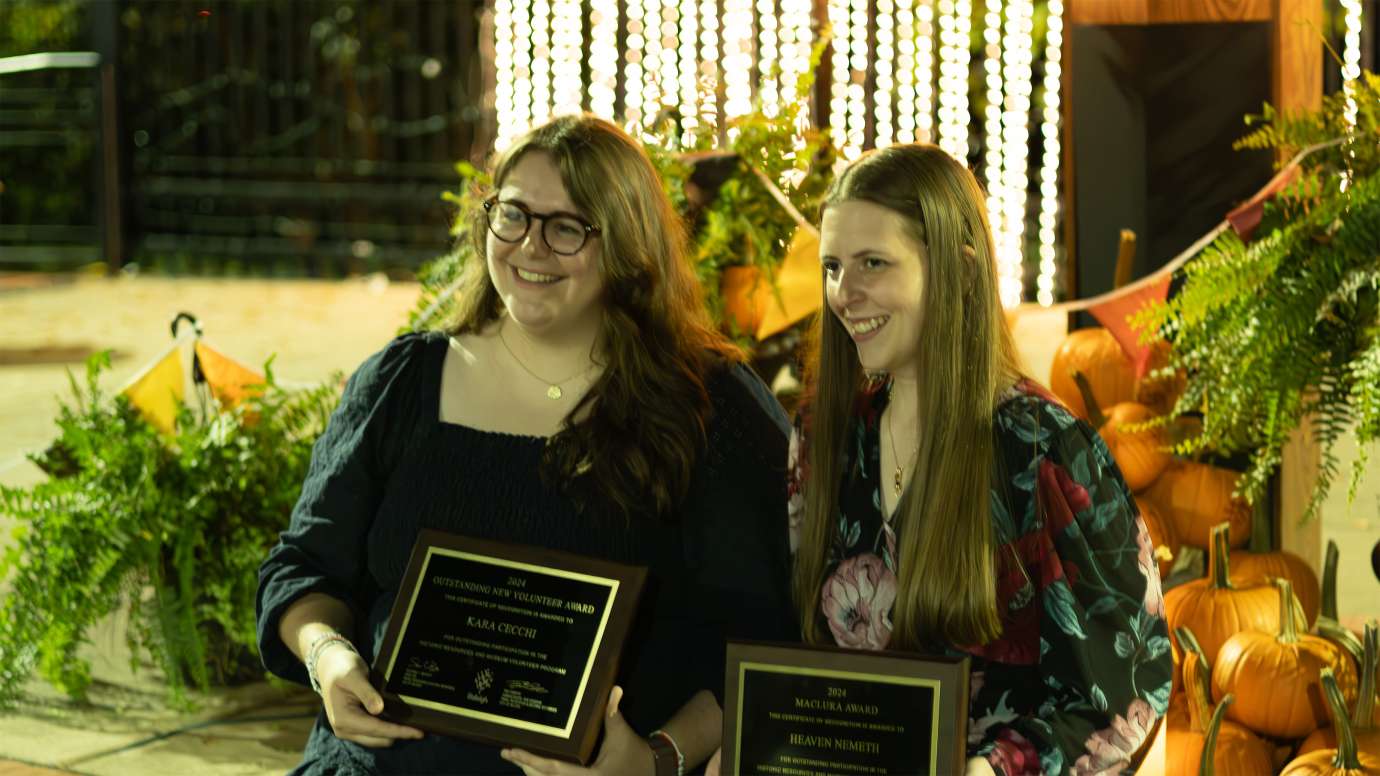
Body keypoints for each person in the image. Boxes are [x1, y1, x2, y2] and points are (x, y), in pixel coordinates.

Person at [256, 114, 796, 776]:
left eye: (567, 227)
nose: (531, 247)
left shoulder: (710, 407)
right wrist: (326, 658)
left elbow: (762, 641)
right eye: (514, 216)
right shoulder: (403, 383)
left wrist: (657, 760)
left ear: (627, 245)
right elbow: (304, 567)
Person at [778, 144, 1173, 775]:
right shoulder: (823, 438)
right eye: (832, 266)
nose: (842, 294)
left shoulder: (1046, 450)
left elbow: (1123, 696)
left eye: (872, 263)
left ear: (959, 271)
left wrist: (991, 771)